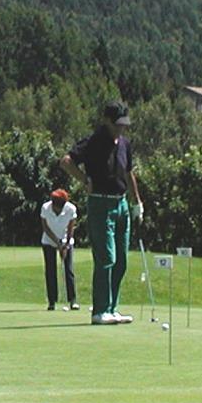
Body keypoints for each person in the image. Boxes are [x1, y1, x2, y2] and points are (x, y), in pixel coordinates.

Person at [60, 100, 147, 325]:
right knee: (106, 257)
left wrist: (136, 201)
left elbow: (129, 173)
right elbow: (67, 162)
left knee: (122, 260)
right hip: (100, 204)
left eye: (123, 124)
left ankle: (112, 308)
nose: (121, 128)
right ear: (106, 120)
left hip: (122, 205)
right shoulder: (93, 142)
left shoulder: (125, 144)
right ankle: (100, 311)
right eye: (117, 123)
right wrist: (84, 180)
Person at [39, 187, 81, 311]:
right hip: (48, 241)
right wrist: (58, 244)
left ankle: (72, 300)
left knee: (69, 270)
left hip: (66, 240)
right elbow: (45, 227)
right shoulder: (45, 208)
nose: (56, 209)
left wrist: (66, 245)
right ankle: (52, 301)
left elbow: (71, 228)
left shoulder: (71, 209)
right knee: (50, 270)